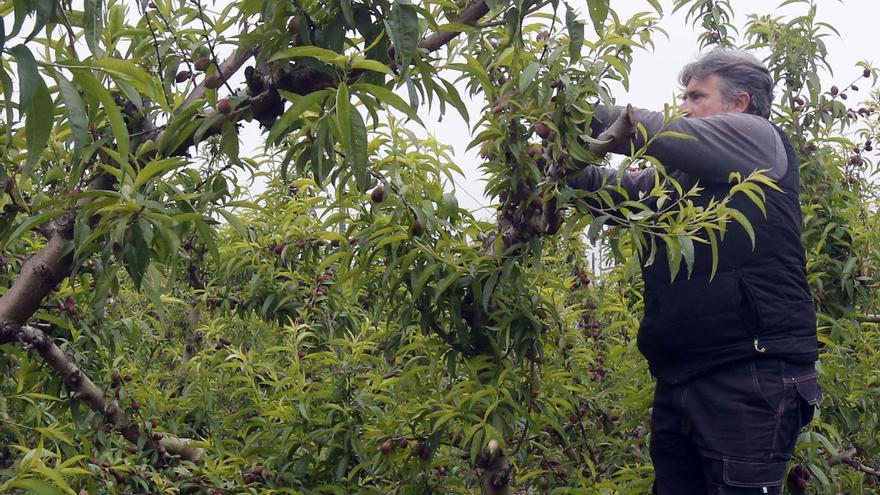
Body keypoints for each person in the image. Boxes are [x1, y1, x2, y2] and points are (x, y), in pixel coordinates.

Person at [567, 49, 822, 494]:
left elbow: (670, 133)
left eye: (696, 96)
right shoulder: (682, 179)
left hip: (750, 373)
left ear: (739, 103)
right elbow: (620, 193)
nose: (683, 107)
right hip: (683, 375)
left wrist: (574, 114)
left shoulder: (759, 138)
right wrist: (557, 168)